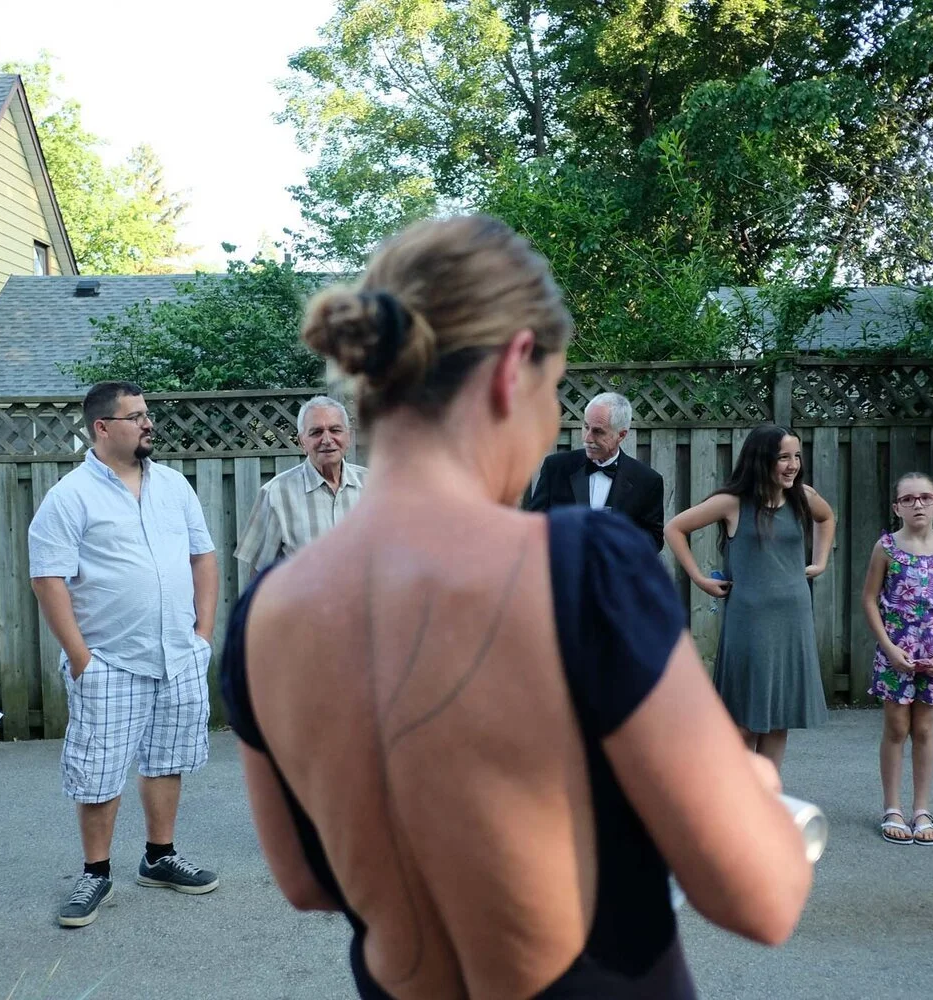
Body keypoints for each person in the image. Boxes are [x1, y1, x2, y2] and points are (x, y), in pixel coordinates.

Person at [220, 215, 814, 999]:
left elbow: (304, 880)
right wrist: (753, 790)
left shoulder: (262, 618)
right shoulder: (584, 567)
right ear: (512, 369)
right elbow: (759, 898)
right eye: (553, 393)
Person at [28, 381, 221, 930]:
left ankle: (160, 858)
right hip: (109, 660)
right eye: (135, 416)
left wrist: (202, 634)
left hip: (178, 655)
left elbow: (203, 557)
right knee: (99, 770)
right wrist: (80, 657)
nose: (147, 423)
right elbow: (47, 578)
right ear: (103, 427)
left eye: (146, 414)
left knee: (168, 758)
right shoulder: (70, 496)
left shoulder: (174, 486)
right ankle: (96, 872)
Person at [663, 424, 835, 771]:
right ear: (761, 459)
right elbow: (674, 528)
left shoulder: (803, 496)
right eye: (783, 457)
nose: (793, 465)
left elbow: (827, 517)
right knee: (742, 723)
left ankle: (768, 795)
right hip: (750, 622)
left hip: (794, 618)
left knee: (779, 719)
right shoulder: (732, 503)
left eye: (796, 456)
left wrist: (820, 562)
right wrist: (699, 579)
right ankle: (739, 796)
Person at [862, 472, 933, 846]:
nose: (917, 504)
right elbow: (869, 600)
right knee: (896, 728)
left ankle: (922, 809)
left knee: (924, 730)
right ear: (897, 508)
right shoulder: (886, 548)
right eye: (908, 499)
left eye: (925, 497)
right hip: (896, 655)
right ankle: (892, 808)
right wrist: (889, 649)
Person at [235, 394, 368, 580]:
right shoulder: (275, 494)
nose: (327, 439)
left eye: (335, 430)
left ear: (349, 437)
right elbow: (260, 575)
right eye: (316, 432)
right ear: (301, 442)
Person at [526, 392, 666, 552]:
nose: (588, 438)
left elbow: (654, 540)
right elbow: (534, 522)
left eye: (598, 432)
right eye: (586, 427)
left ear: (621, 435)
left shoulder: (647, 481)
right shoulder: (556, 467)